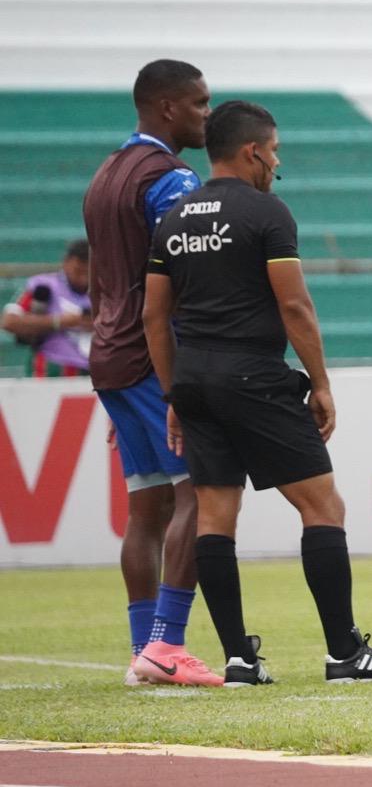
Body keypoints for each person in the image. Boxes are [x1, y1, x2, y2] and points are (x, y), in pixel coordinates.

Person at [144, 100, 372, 690]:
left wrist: (173, 394)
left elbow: (152, 318)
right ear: (253, 151)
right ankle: (344, 652)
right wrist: (320, 383)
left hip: (193, 378)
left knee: (215, 516)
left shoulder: (173, 218)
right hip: (254, 377)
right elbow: (294, 305)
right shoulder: (267, 212)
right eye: (276, 151)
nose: (277, 162)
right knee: (323, 507)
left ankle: (240, 660)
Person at [81, 59, 211, 687]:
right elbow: (183, 272)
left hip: (111, 354)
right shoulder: (170, 179)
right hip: (153, 355)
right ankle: (166, 645)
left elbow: (105, 278)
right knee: (199, 492)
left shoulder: (105, 174)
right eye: (200, 104)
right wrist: (180, 376)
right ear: (167, 108)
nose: (206, 115)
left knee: (146, 505)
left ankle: (143, 649)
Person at [3, 240, 92, 378]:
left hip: (94, 370)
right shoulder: (44, 286)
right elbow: (10, 322)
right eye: (78, 271)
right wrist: (60, 322)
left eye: (88, 273)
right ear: (66, 263)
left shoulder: (106, 292)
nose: (83, 279)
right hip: (50, 368)